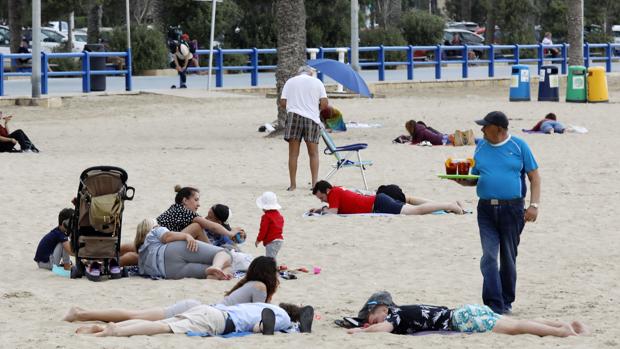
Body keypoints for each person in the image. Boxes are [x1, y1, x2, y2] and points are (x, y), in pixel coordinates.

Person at [453, 111, 540, 315]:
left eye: (486, 126)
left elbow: (535, 177)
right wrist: (462, 180)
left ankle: (506, 301)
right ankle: (494, 305)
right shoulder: (481, 146)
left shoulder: (519, 146)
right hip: (485, 210)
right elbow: (475, 178)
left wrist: (534, 205)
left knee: (508, 257)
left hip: (513, 209)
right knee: (489, 257)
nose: (481, 129)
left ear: (499, 129)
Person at [63, 256, 281, 323]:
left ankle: (83, 312)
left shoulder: (250, 283)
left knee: (136, 315)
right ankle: (81, 313)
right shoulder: (260, 287)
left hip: (198, 307)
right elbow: (260, 315)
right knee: (136, 317)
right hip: (201, 312)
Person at [347, 293, 589, 337]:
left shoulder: (395, 316)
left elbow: (385, 328)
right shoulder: (400, 312)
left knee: (516, 328)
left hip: (462, 319)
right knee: (514, 323)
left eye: (373, 318)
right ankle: (564, 324)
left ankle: (561, 332)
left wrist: (360, 331)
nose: (373, 323)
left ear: (384, 309)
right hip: (465, 312)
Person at [119, 186, 245, 266]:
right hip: (160, 241)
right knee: (196, 227)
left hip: (149, 236)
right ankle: (213, 253)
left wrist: (233, 234)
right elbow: (211, 226)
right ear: (185, 201)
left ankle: (106, 256)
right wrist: (230, 233)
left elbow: (214, 227)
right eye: (196, 200)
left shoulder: (177, 209)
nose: (199, 204)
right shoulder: (185, 212)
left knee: (132, 250)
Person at [74, 302, 313, 337]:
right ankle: (112, 332)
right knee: (163, 327)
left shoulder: (268, 305)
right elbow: (257, 327)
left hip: (211, 309)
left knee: (175, 319)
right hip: (220, 323)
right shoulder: (280, 318)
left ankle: (107, 325)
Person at [279, 65, 329, 191]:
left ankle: (293, 185)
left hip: (293, 117)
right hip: (311, 119)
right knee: (313, 153)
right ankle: (314, 184)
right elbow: (324, 104)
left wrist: (294, 107)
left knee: (293, 154)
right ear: (310, 73)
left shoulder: (290, 82)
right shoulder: (317, 82)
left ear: (298, 73)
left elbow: (283, 102)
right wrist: (314, 108)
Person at [135, 218, 233, 280]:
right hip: (171, 251)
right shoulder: (154, 230)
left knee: (210, 270)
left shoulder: (141, 254)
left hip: (169, 272)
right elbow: (167, 237)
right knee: (224, 253)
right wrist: (186, 236)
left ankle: (220, 274)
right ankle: (217, 266)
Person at [310, 180, 464, 215]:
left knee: (414, 211)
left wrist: (320, 211)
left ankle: (449, 205)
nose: (323, 200)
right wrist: (319, 208)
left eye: (322, 197)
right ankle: (448, 205)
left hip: (378, 204)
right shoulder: (336, 191)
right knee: (414, 208)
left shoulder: (334, 193)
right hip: (378, 201)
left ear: (327, 190)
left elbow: (332, 213)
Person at [255, 192, 284, 260]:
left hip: (271, 241)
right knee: (272, 257)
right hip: (279, 240)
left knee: (270, 259)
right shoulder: (279, 216)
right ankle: (274, 268)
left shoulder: (266, 217)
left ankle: (272, 270)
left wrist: (258, 240)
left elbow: (263, 230)